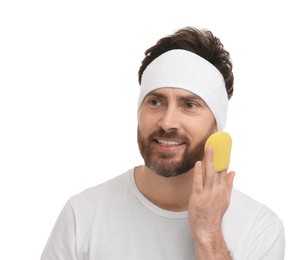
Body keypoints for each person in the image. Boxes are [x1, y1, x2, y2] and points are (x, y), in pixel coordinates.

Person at [41, 26, 285, 260]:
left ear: (216, 125)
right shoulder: (82, 215)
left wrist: (209, 234)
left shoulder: (259, 228)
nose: (168, 122)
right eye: (155, 102)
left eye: (189, 105)